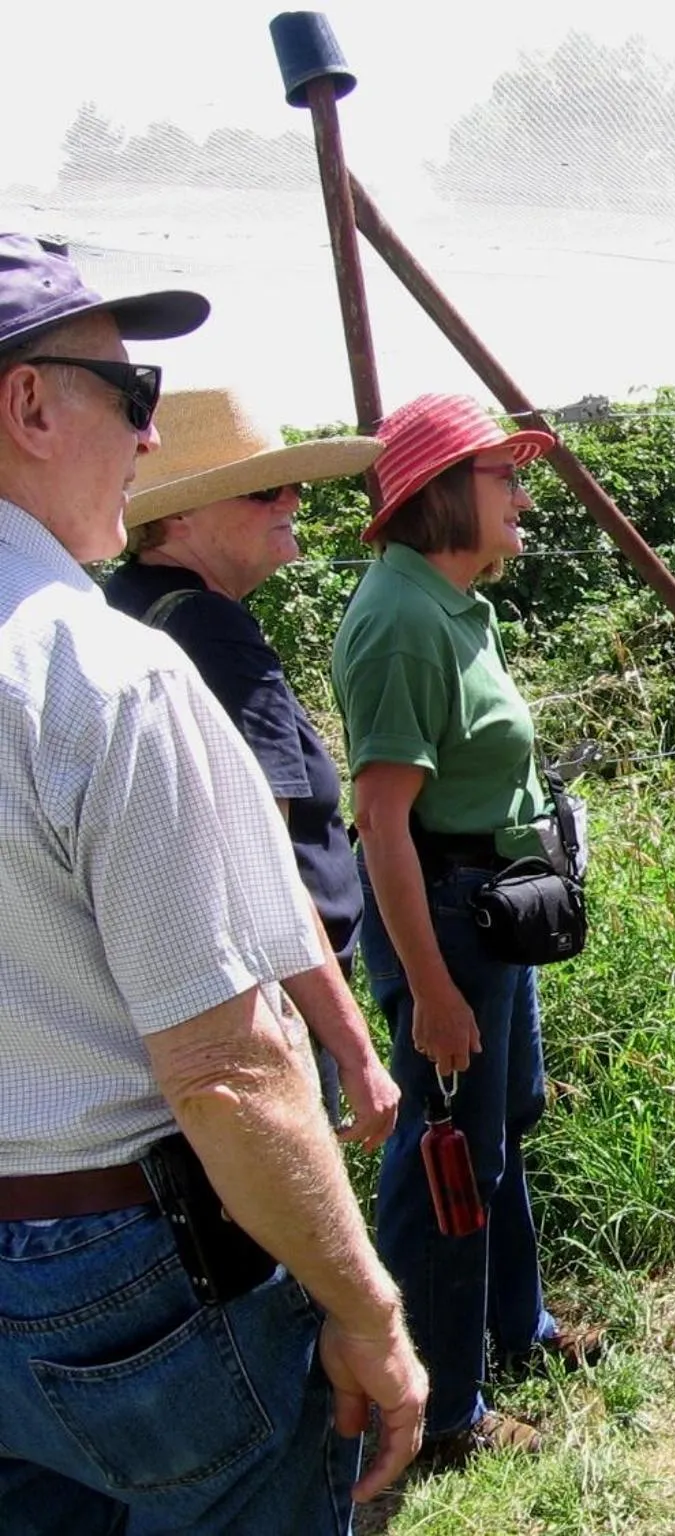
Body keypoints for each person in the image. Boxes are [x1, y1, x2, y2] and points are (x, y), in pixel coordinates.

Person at [0, 234, 425, 1532]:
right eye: (132, 395)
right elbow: (225, 1068)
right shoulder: (100, 675)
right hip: (123, 1260)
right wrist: (367, 1309)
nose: (147, 437)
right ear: (29, 406)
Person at [332, 392, 602, 1465]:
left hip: (487, 911)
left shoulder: (447, 603)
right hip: (446, 923)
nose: (523, 497)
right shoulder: (401, 622)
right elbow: (382, 825)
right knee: (444, 1158)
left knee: (499, 1128)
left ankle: (514, 1329)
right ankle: (441, 1411)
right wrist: (435, 993)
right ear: (444, 492)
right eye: (506, 478)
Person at [104, 388, 399, 1148]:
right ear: (178, 518)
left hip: (164, 1008)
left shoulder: (120, 608)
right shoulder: (212, 630)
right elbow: (264, 863)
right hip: (264, 1007)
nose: (293, 499)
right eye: (264, 490)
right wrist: (355, 1050)